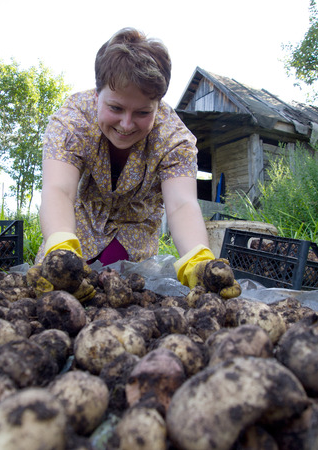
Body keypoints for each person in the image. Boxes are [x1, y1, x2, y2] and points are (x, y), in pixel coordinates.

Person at [35, 27, 237, 293]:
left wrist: (197, 260)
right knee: (56, 293)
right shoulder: (72, 121)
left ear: (158, 105)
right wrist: (60, 248)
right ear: (97, 96)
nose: (127, 124)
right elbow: (58, 190)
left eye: (142, 112)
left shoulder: (174, 139)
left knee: (118, 296)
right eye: (115, 108)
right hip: (75, 227)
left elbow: (181, 205)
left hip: (132, 239)